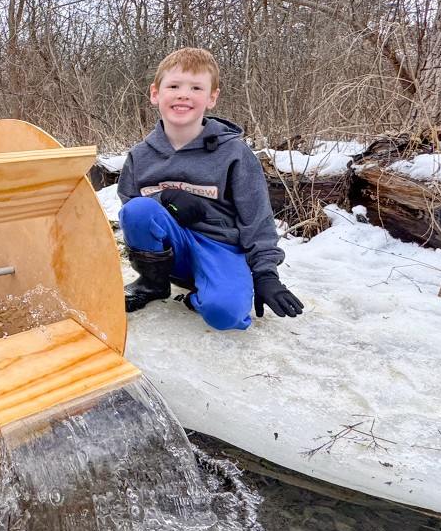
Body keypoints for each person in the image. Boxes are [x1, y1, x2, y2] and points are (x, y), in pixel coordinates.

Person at [117, 47, 304, 330]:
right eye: (174, 86)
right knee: (139, 209)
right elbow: (130, 209)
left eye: (196, 87)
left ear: (211, 98)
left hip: (221, 249)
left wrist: (266, 274)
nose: (183, 94)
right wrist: (162, 197)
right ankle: (153, 285)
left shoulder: (234, 153)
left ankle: (205, 295)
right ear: (155, 94)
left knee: (226, 316)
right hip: (173, 253)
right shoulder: (140, 155)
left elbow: (257, 218)